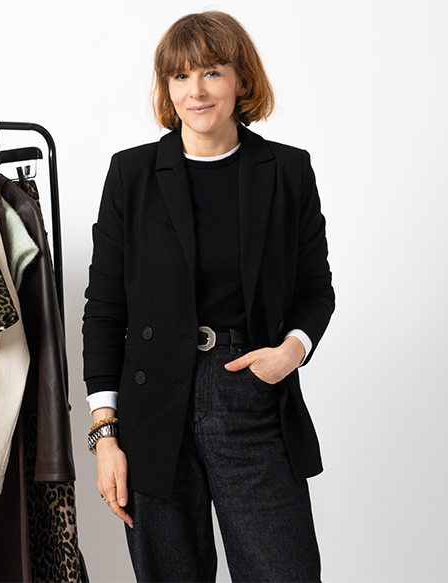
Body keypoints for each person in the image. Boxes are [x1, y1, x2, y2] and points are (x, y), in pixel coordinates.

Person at [82, 10, 335, 582]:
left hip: (250, 391)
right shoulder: (132, 174)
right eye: (179, 77)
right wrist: (105, 435)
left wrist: (289, 353)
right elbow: (104, 313)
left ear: (241, 81)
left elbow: (316, 290)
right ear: (166, 88)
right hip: (151, 411)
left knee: (284, 571)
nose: (194, 91)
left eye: (212, 73)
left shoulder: (287, 171)